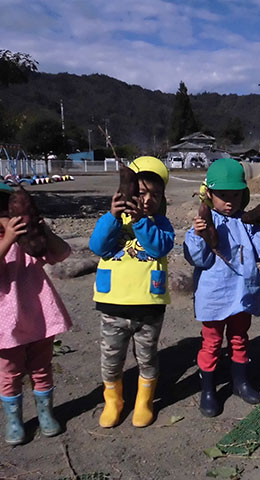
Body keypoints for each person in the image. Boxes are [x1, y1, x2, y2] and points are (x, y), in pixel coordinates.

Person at [0, 181, 72, 445]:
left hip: (39, 320)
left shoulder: (27, 242)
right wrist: (9, 240)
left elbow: (62, 253)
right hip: (5, 326)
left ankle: (45, 415)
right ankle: (14, 421)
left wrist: (41, 228)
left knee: (42, 369)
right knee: (9, 374)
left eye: (3, 215)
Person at [183, 158, 260, 417]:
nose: (229, 201)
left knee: (239, 338)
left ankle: (240, 382)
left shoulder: (247, 221)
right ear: (209, 195)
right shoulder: (204, 222)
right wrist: (199, 235)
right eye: (222, 195)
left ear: (244, 195)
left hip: (242, 293)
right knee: (212, 342)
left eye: (235, 195)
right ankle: (208, 389)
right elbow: (199, 259)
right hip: (214, 295)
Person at [89, 156, 174, 428]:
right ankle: (113, 400)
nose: (147, 200)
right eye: (140, 193)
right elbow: (98, 246)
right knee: (111, 360)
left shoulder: (160, 224)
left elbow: (159, 247)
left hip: (148, 306)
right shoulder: (115, 221)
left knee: (147, 358)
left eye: (155, 195)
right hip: (113, 305)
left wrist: (140, 221)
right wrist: (112, 215)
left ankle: (144, 401)